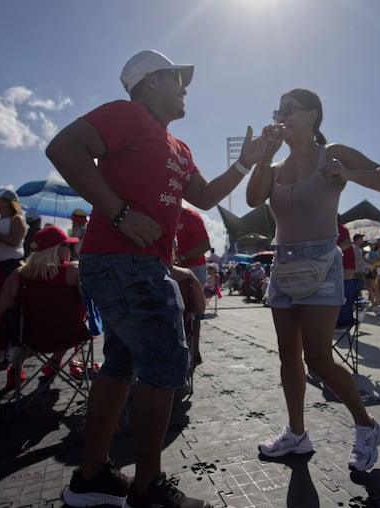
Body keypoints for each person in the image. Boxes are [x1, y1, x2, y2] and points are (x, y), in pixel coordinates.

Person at [46, 49, 275, 508]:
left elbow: (206, 197)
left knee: (120, 365)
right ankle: (147, 490)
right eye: (177, 78)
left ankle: (92, 478)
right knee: (167, 361)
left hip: (136, 263)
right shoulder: (128, 114)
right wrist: (121, 212)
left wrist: (246, 163)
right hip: (121, 260)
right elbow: (63, 148)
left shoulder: (177, 146)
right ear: (150, 82)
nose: (185, 87)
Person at [245, 88, 380, 472]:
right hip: (283, 265)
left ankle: (367, 426)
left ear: (312, 115)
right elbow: (252, 199)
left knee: (317, 358)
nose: (280, 115)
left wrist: (346, 174)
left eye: (289, 109)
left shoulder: (332, 153)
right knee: (287, 356)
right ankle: (296, 433)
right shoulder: (276, 166)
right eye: (277, 109)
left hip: (321, 262)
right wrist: (263, 158)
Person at [0, 225, 81, 388]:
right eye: (67, 245)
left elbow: (1, 309)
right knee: (72, 322)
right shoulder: (74, 271)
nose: (70, 250)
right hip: (68, 335)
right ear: (57, 249)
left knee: (26, 326)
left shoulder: (19, 274)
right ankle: (54, 363)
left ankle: (15, 369)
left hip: (30, 336)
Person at [0, 189, 27, 308]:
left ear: (6, 203)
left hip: (8, 267)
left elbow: (15, 241)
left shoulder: (16, 219)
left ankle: (5, 324)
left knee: (5, 301)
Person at [175, 206, 211, 287]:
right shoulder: (170, 217)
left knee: (191, 298)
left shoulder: (191, 216)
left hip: (195, 268)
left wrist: (182, 258)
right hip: (178, 268)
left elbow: (205, 246)